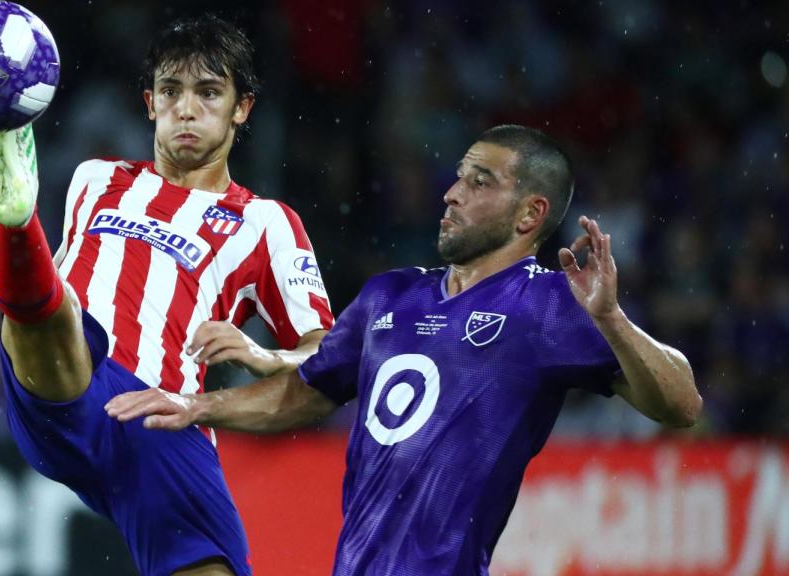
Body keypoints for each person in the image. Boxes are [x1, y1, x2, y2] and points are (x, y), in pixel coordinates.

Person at [105, 125, 702, 575]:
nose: (451, 193)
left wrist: (612, 319)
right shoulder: (390, 294)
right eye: (459, 175)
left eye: (479, 182)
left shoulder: (549, 304)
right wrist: (197, 407)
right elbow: (306, 391)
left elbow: (682, 404)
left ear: (531, 214)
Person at [0, 15, 332, 576]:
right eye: (171, 91)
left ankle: (17, 218)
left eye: (209, 92)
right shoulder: (96, 179)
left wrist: (268, 356)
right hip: (76, 381)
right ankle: (13, 210)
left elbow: (326, 356)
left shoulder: (266, 221)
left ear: (243, 108)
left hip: (165, 416)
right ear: (149, 102)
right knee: (55, 317)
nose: (186, 109)